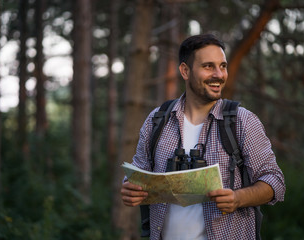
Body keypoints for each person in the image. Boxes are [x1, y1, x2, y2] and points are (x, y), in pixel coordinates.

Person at [121, 33, 286, 240]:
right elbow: (137, 173)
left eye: (223, 66)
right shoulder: (157, 120)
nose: (219, 74)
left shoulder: (242, 121)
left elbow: (275, 181)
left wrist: (238, 198)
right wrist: (130, 188)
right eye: (208, 66)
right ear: (185, 71)